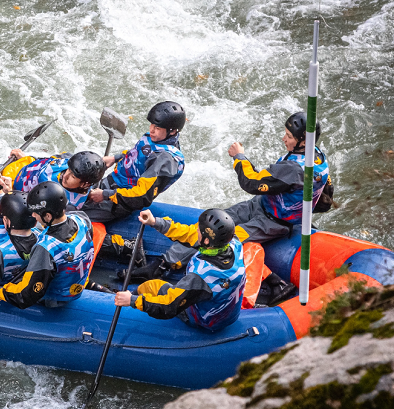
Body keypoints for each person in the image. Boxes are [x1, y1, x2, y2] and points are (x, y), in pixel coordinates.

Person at [130, 111, 333, 305]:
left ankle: (274, 283)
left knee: (218, 237)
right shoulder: (318, 158)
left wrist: (239, 156)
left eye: (289, 136)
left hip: (271, 223)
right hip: (261, 206)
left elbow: (251, 183)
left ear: (304, 142)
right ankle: (163, 264)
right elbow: (325, 199)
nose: (283, 139)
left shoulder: (295, 168)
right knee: (214, 221)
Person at [114, 208, 246, 332]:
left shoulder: (201, 276)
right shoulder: (234, 244)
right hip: (227, 313)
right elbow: (188, 234)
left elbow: (168, 306)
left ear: (206, 240)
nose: (196, 230)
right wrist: (155, 222)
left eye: (199, 230)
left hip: (203, 320)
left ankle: (126, 303)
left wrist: (132, 300)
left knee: (150, 286)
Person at [0, 181, 95, 308]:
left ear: (48, 216)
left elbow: (26, 295)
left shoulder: (45, 249)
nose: (32, 215)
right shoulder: (81, 219)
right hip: (77, 282)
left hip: (56, 299)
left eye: (35, 213)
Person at [83, 101, 186, 224]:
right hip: (111, 182)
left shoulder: (165, 160)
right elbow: (137, 154)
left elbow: (141, 196)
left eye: (157, 128)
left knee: (75, 213)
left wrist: (105, 195)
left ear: (173, 131)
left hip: (119, 201)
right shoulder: (156, 138)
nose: (152, 130)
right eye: (152, 125)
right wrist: (115, 158)